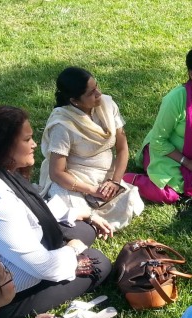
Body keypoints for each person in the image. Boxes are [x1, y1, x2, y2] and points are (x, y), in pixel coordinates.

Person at [0, 106, 112, 318]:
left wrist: (81, 213)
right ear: (5, 146)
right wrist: (71, 254)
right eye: (27, 140)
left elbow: (31, 212)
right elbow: (42, 265)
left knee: (84, 230)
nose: (34, 144)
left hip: (15, 258)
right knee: (99, 262)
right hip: (2, 293)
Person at [38, 66, 144, 231]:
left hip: (105, 177)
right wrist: (92, 190)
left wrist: (115, 181)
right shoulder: (63, 125)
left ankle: (93, 220)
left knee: (130, 200)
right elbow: (57, 173)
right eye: (91, 93)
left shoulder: (107, 105)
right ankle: (88, 221)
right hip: (74, 181)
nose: (98, 94)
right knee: (74, 210)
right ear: (74, 101)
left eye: (97, 87)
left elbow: (122, 148)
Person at [126, 46, 192, 204]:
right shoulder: (175, 99)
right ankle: (130, 179)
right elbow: (158, 140)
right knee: (169, 195)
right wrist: (188, 162)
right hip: (166, 153)